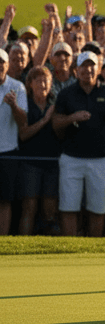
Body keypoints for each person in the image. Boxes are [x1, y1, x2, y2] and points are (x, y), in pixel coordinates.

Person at [52, 51, 105, 238]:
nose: (88, 70)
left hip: (100, 160)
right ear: (76, 70)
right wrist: (71, 118)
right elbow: (56, 122)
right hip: (71, 158)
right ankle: (70, 247)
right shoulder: (66, 93)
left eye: (92, 66)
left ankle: (93, 248)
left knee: (98, 208)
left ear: (98, 70)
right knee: (69, 207)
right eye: (83, 66)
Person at [15, 66, 60, 234]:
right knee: (29, 207)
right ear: (30, 84)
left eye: (46, 81)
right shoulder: (24, 103)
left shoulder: (55, 105)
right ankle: (23, 244)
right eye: (39, 80)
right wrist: (45, 120)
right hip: (30, 163)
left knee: (50, 209)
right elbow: (23, 134)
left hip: (52, 163)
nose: (43, 84)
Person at [0, 48, 29, 235]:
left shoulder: (17, 87)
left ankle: (2, 240)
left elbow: (23, 121)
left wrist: (14, 106)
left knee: (5, 200)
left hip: (8, 151)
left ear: (7, 65)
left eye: (1, 62)